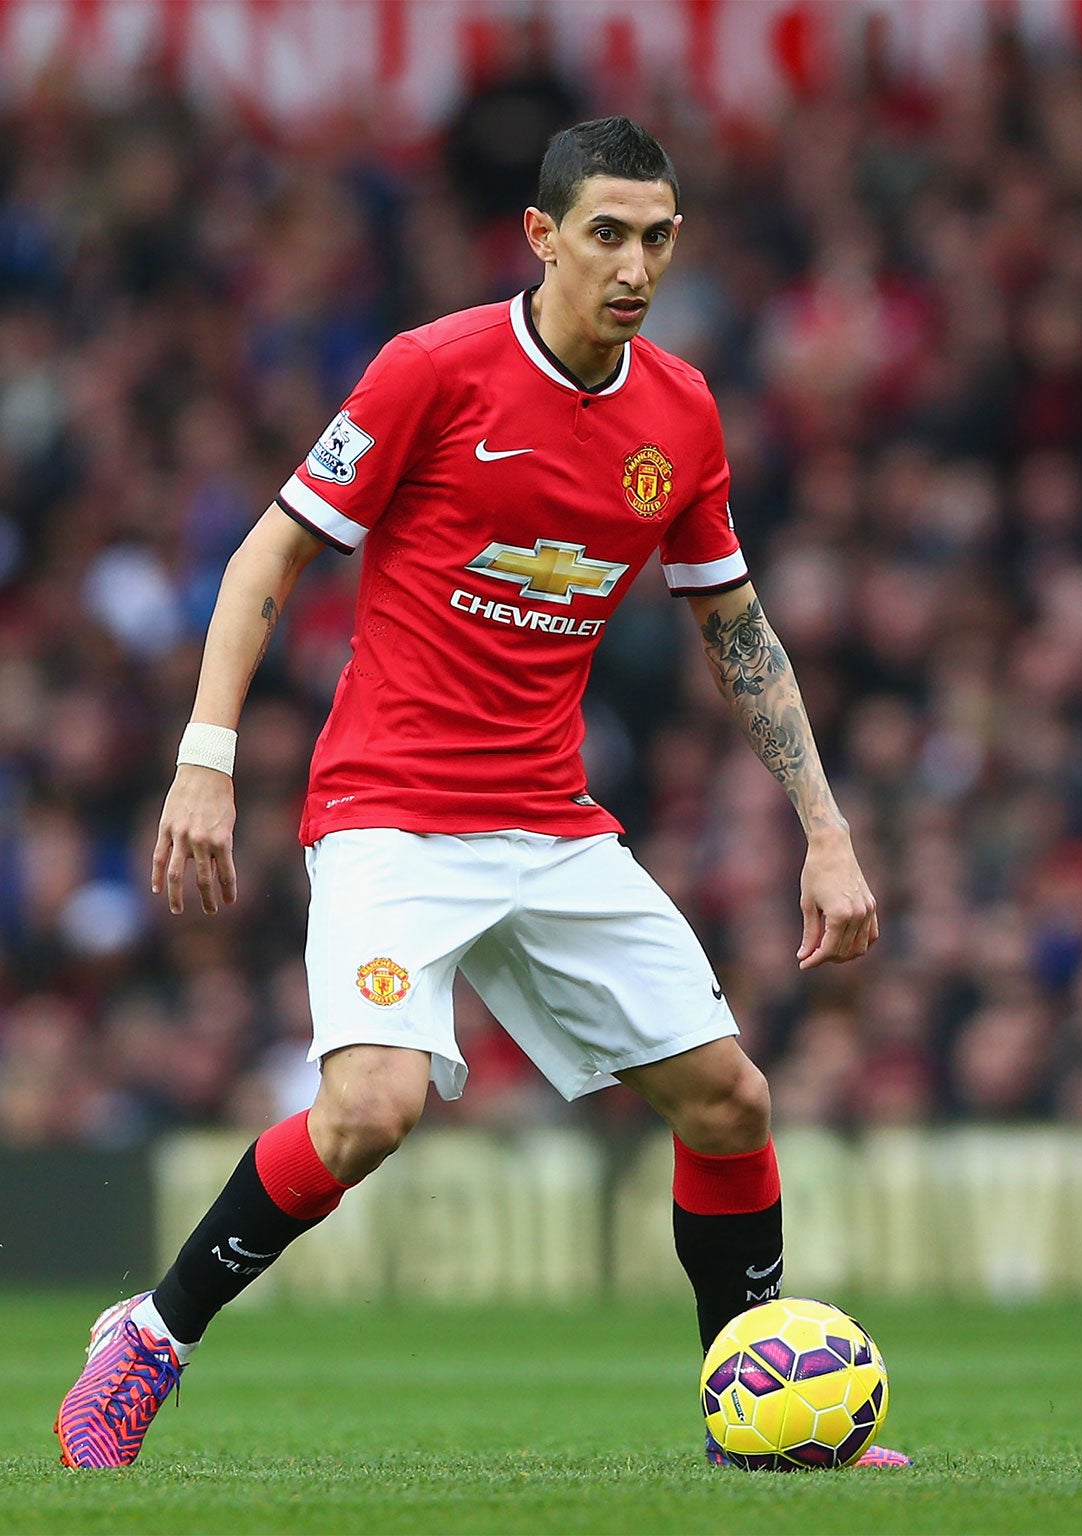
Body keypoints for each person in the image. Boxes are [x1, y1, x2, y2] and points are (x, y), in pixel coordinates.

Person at [54, 117, 907, 1472]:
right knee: (370, 1112)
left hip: (553, 825)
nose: (637, 264)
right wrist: (204, 760)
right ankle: (150, 1337)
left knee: (732, 1101)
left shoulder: (679, 412)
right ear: (544, 235)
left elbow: (736, 629)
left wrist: (828, 831)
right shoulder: (431, 372)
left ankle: (753, 1412)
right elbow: (267, 557)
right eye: (610, 234)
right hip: (390, 812)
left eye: (660, 236)